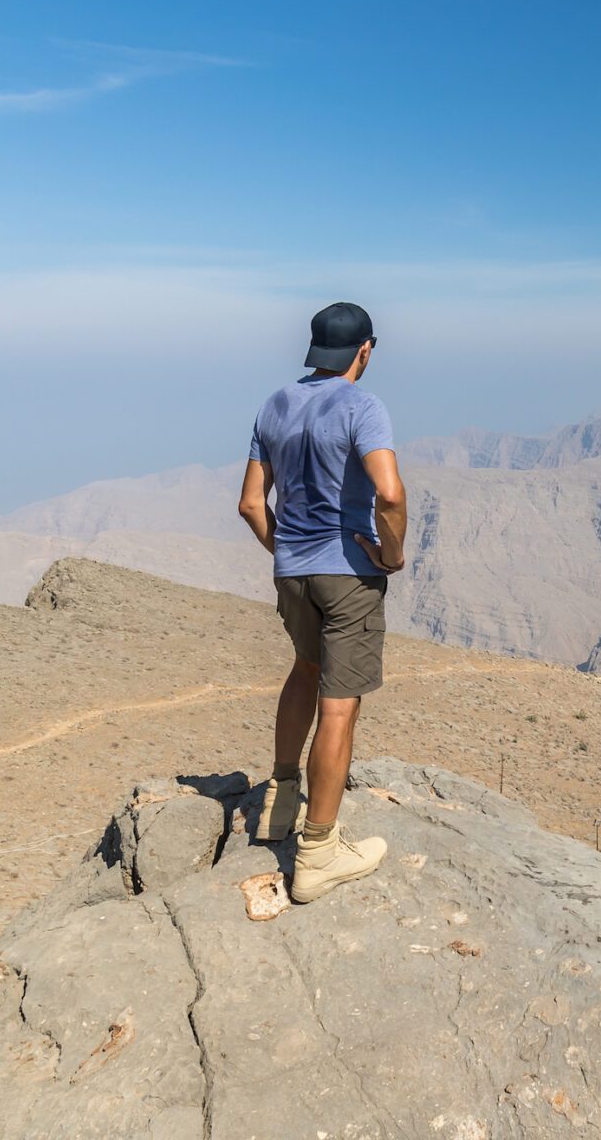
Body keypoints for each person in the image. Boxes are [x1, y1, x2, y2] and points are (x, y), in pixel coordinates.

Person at [237, 301, 409, 903]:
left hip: (293, 573)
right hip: (348, 577)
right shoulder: (363, 407)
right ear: (366, 349)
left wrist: (284, 551)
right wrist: (391, 555)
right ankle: (317, 854)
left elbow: (252, 505)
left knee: (304, 671)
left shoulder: (273, 405)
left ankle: (281, 803)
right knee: (340, 708)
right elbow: (388, 494)